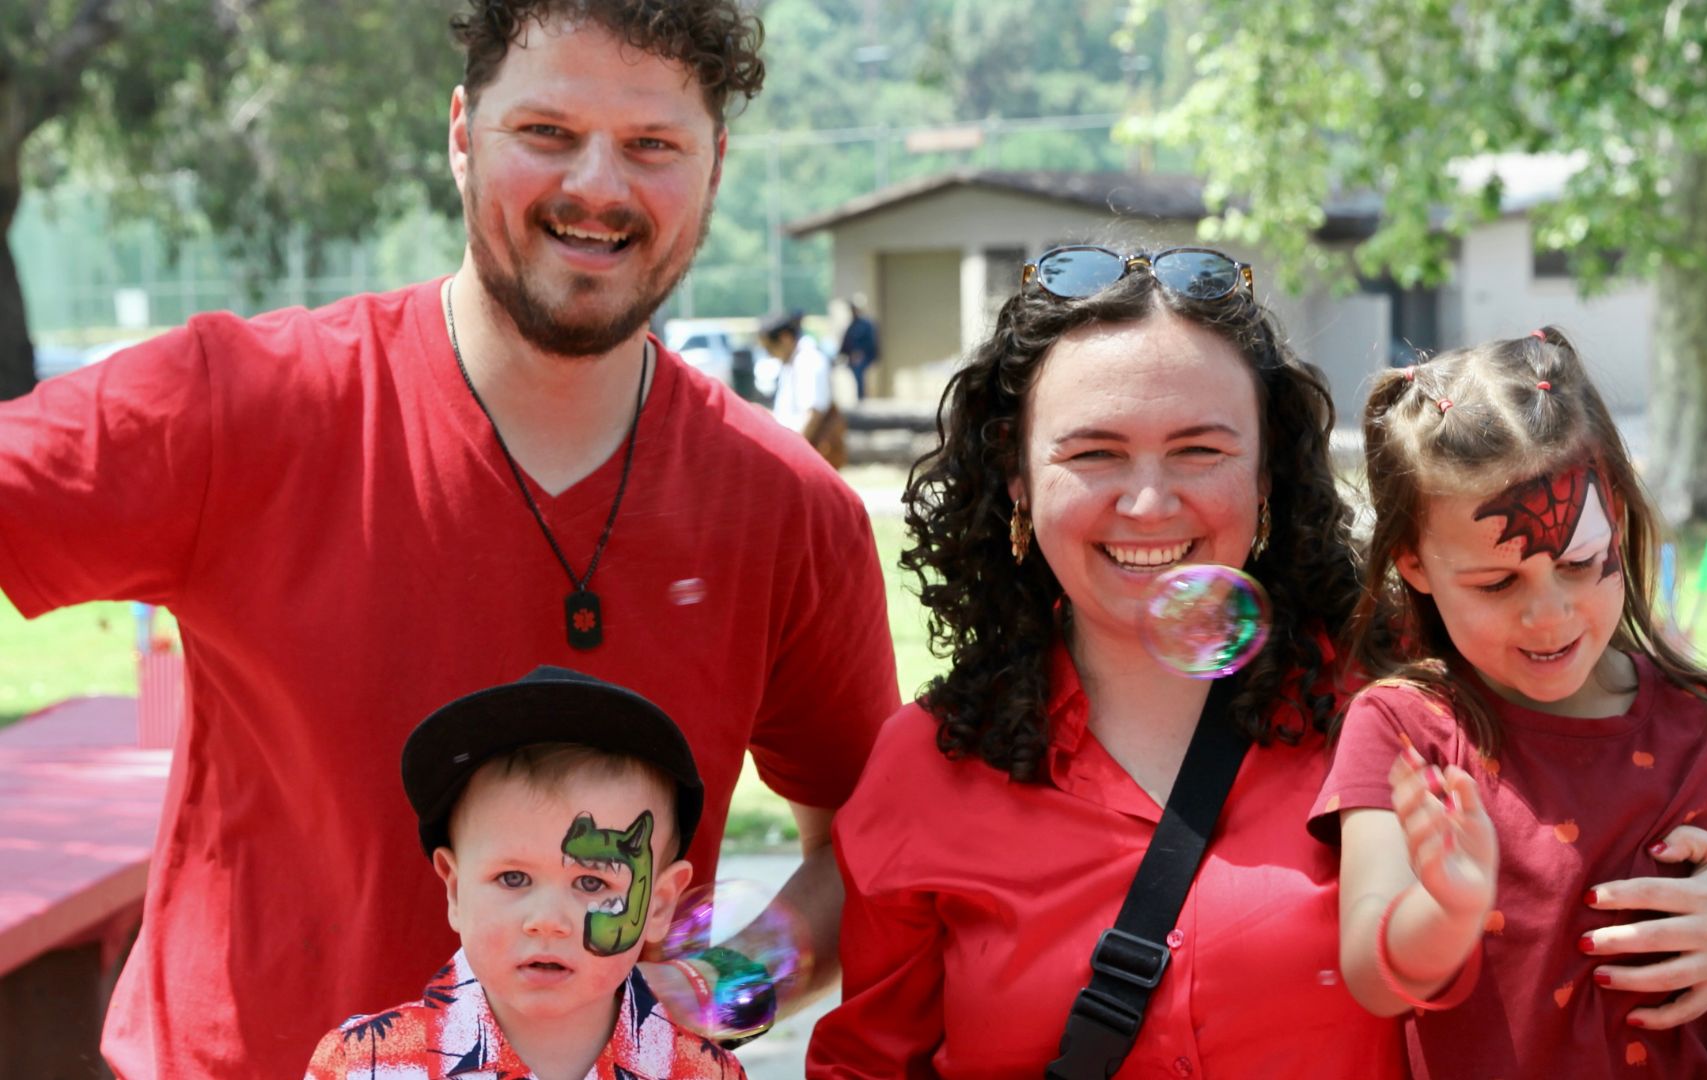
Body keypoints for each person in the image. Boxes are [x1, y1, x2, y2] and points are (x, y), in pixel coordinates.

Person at [0, 3, 899, 1076]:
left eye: (653, 145)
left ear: (713, 167)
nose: (600, 188)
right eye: (549, 134)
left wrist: (710, 991)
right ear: (463, 135)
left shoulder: (790, 511)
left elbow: (864, 847)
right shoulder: (240, 405)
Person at [807, 244, 1410, 1075]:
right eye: (1093, 454)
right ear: (1015, 476)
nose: (1150, 503)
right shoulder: (924, 769)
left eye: (1200, 450)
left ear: (1268, 471)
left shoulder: (1403, 708)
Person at [1312, 328, 1707, 1078]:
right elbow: (1372, 971)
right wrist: (1446, 911)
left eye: (1582, 564)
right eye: (1497, 584)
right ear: (1414, 563)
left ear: (1615, 519)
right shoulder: (1404, 727)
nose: (1549, 615)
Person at [305, 666, 741, 1079]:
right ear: (455, 891)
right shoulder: (364, 1065)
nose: (547, 920)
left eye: (592, 883)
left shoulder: (707, 1073)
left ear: (659, 904)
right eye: (513, 878)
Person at [760, 308, 846, 469]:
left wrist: (792, 456)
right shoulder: (791, 361)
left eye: (770, 348)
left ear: (785, 338)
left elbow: (812, 415)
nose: (770, 354)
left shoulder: (808, 360)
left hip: (808, 455)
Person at [836, 294, 880, 401]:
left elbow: (871, 343)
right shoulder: (852, 325)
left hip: (864, 357)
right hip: (852, 358)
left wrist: (861, 353)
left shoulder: (867, 325)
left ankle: (861, 398)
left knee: (859, 373)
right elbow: (846, 342)